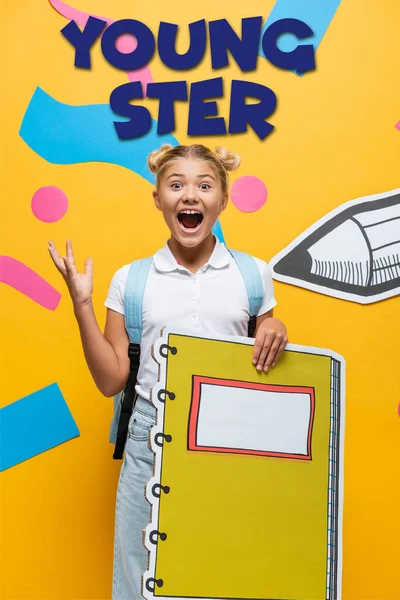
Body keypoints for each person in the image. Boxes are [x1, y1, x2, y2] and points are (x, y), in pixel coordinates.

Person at [48, 143, 288, 599]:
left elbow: (266, 350)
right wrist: (81, 305)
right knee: (141, 578)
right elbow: (110, 380)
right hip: (149, 442)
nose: (190, 195)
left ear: (224, 198)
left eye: (204, 185)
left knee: (227, 570)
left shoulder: (253, 275)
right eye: (176, 185)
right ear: (158, 199)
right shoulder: (133, 280)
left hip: (229, 441)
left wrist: (275, 324)